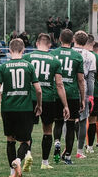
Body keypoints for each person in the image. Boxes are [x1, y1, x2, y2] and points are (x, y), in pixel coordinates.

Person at [0, 38, 42, 177]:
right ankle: (18, 160)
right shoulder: (29, 66)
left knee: (10, 139)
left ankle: (12, 172)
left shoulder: (3, 67)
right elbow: (38, 90)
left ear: (9, 50)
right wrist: (39, 105)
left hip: (7, 108)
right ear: (23, 50)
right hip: (25, 108)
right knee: (26, 141)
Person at [24, 33, 69, 169]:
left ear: (37, 43)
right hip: (48, 98)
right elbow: (59, 85)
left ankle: (28, 154)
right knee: (47, 130)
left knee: (28, 129)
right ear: (50, 45)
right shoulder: (54, 60)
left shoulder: (27, 58)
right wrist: (65, 105)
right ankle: (44, 162)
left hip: (30, 97)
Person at [51, 29, 85, 165]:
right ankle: (68, 156)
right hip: (71, 94)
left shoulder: (53, 54)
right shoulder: (77, 56)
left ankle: (57, 141)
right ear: (72, 41)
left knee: (58, 122)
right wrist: (82, 98)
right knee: (71, 125)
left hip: (56, 93)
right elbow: (81, 80)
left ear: (59, 39)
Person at [72, 32, 97, 159]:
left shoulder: (69, 53)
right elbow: (91, 79)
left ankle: (65, 148)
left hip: (69, 88)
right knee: (82, 120)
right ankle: (79, 151)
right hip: (84, 89)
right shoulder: (91, 56)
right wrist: (91, 96)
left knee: (66, 120)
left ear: (73, 39)